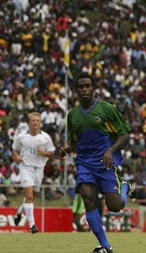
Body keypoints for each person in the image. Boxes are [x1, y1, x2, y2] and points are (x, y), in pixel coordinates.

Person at [58, 73, 134, 253]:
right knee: (87, 197)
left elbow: (125, 135)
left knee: (115, 206)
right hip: (84, 163)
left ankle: (123, 187)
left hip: (105, 163)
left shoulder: (107, 109)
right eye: (81, 87)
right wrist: (68, 148)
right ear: (76, 90)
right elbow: (76, 140)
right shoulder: (73, 115)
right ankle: (106, 246)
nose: (84, 89)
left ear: (93, 88)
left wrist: (110, 150)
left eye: (87, 86)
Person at [12, 111, 56, 233]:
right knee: (29, 196)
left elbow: (52, 153)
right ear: (29, 123)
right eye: (33, 120)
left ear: (40, 123)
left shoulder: (46, 137)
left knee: (31, 197)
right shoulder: (21, 137)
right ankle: (32, 226)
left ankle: (20, 211)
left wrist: (44, 153)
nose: (35, 122)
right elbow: (14, 149)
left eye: (37, 121)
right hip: (25, 167)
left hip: (39, 169)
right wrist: (17, 157)